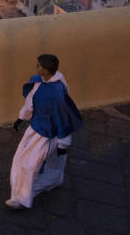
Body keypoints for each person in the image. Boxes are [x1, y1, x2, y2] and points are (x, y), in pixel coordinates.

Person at [6, 54, 83, 210]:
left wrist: (63, 143)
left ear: (46, 71)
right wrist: (21, 118)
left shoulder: (58, 94)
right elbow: (30, 103)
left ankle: (22, 199)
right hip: (34, 130)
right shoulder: (39, 82)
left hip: (48, 135)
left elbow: (64, 118)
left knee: (30, 165)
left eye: (39, 65)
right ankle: (50, 181)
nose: (37, 67)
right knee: (24, 159)